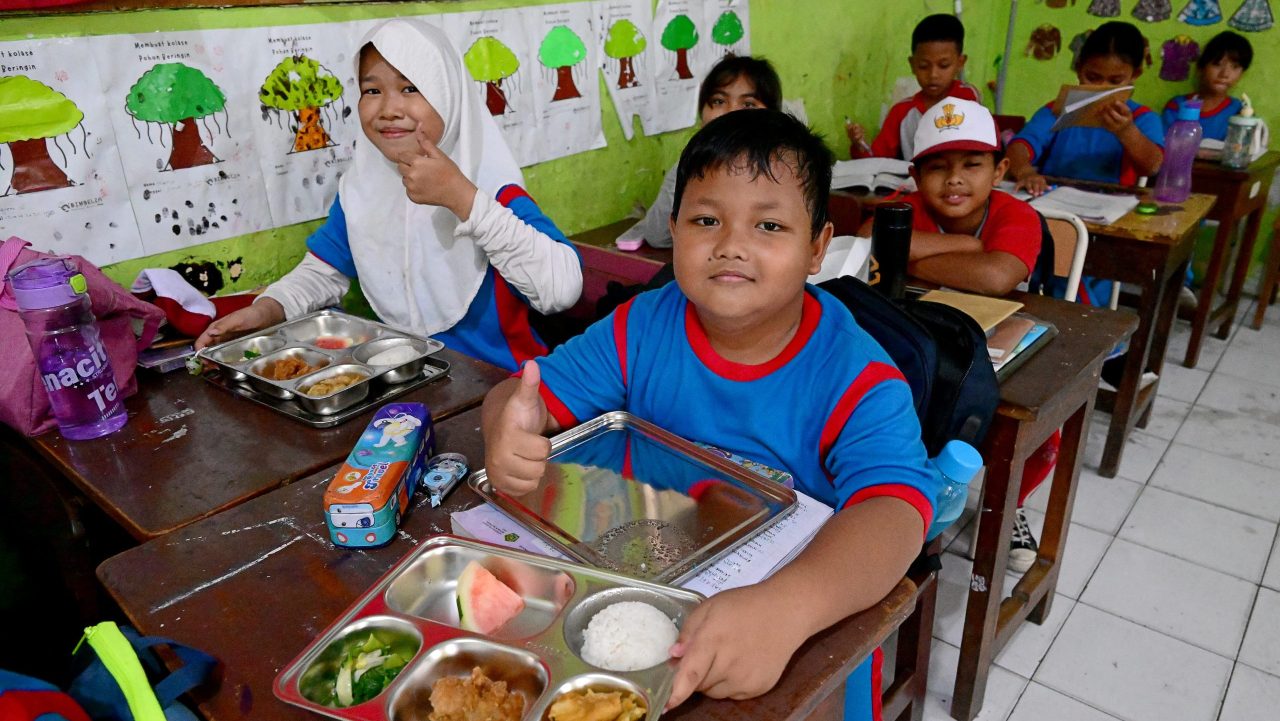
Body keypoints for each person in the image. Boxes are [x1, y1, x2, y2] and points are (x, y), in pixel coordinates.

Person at [482, 109, 941, 719]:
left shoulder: (856, 376)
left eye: (769, 225)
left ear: (817, 248)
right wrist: (505, 426)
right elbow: (527, 396)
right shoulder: (640, 327)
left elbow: (896, 511)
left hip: (797, 621)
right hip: (646, 578)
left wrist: (789, 607)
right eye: (706, 220)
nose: (731, 246)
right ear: (674, 230)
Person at [195, 19, 582, 373]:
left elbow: (561, 291)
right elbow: (324, 272)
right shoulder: (362, 188)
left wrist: (462, 198)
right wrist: (267, 309)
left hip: (502, 382)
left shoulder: (493, 190)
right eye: (372, 90)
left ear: (448, 93)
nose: (389, 109)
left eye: (411, 88)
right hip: (407, 376)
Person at [856, 97, 1041, 297]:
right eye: (938, 167)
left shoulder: (1017, 213)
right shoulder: (912, 207)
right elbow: (867, 238)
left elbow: (996, 278)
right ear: (917, 177)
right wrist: (965, 244)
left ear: (998, 172)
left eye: (971, 165)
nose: (954, 179)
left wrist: (898, 259)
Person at [616, 55, 782, 250]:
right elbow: (657, 236)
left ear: (772, 117)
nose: (731, 112)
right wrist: (691, 164)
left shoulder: (784, 170)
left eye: (748, 104)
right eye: (719, 101)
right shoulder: (693, 165)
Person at [1008, 21, 1164, 196]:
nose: (1102, 88)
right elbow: (1019, 146)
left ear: (1134, 75)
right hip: (1053, 196)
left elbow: (1153, 167)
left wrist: (1127, 132)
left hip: (1112, 202)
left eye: (1115, 81)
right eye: (1092, 77)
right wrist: (1025, 172)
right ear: (1078, 68)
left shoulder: (1142, 117)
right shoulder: (1059, 110)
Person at [846, 13, 981, 161]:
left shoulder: (967, 97)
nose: (933, 75)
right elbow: (876, 160)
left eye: (944, 65)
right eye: (923, 66)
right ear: (912, 64)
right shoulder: (901, 112)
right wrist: (860, 146)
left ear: (960, 63)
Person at [1162, 31, 1252, 141]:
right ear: (1201, 67)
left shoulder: (1240, 112)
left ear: (1242, 74)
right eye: (1217, 64)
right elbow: (1164, 144)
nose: (1224, 74)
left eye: (1235, 67)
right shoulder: (1177, 106)